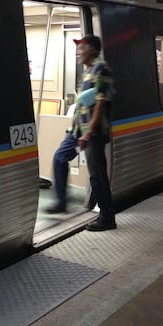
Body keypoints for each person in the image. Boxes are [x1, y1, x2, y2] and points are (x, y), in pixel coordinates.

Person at [48, 35, 116, 232]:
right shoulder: (87, 71)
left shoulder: (101, 69)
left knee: (97, 175)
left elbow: (101, 104)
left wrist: (89, 133)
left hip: (91, 132)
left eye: (82, 48)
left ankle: (107, 217)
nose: (78, 52)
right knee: (60, 158)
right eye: (77, 49)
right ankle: (62, 201)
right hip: (77, 129)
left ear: (93, 50)